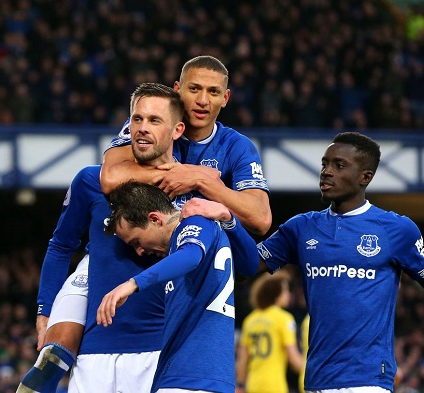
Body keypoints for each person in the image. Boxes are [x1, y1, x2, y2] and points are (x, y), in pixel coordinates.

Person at [251, 132, 424, 392]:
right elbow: (247, 266)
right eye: (324, 164)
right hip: (317, 379)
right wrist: (225, 219)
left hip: (368, 380)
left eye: (339, 165)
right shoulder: (301, 227)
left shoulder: (395, 229)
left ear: (365, 177)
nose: (326, 172)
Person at [19, 82, 185, 393]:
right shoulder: (90, 182)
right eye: (137, 119)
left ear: (177, 130)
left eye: (154, 121)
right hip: (96, 354)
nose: (143, 129)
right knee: (50, 361)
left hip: (159, 348)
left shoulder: (191, 187)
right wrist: (44, 310)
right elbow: (60, 246)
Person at [98, 181, 260, 393]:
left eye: (136, 241)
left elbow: (192, 256)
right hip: (200, 375)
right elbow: (250, 265)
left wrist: (133, 283)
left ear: (155, 219)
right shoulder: (181, 245)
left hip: (193, 376)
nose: (139, 251)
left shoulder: (194, 222)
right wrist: (229, 220)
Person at [100, 55, 271, 236]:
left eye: (213, 92)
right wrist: (184, 174)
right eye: (194, 88)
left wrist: (199, 180)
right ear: (178, 89)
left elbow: (261, 219)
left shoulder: (238, 146)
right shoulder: (149, 121)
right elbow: (110, 177)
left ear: (225, 98)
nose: (203, 100)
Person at [235, 272, 303, 393]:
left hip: (253, 385)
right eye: (285, 290)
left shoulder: (250, 320)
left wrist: (240, 384)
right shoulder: (284, 318)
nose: (288, 294)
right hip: (274, 386)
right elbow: (293, 358)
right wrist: (313, 371)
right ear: (276, 293)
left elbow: (242, 359)